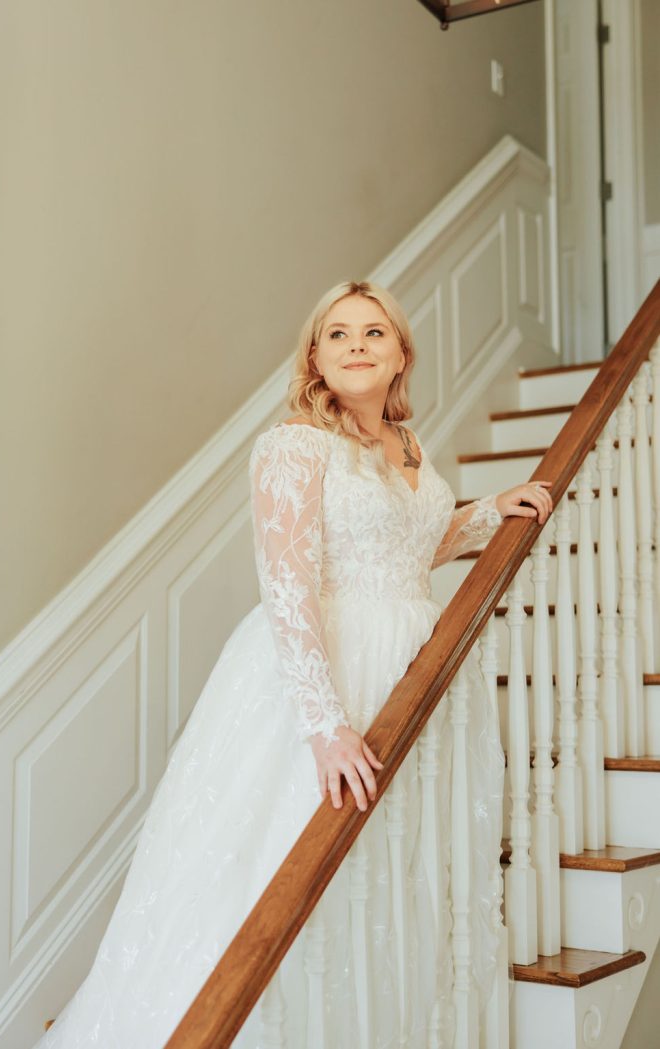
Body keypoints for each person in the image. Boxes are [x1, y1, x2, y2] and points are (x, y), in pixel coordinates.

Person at [35, 280, 552, 1049]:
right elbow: (288, 585)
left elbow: (407, 546)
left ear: (400, 352)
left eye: (373, 332)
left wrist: (485, 513)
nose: (354, 345)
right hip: (330, 676)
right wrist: (325, 723)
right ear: (314, 356)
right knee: (288, 868)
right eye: (336, 334)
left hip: (414, 666)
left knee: (390, 869)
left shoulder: (406, 445)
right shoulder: (293, 445)